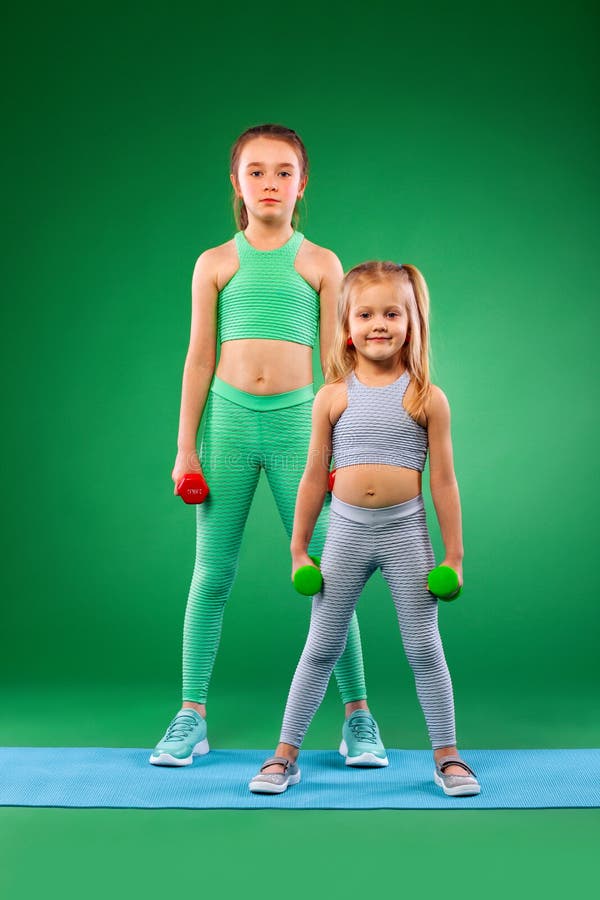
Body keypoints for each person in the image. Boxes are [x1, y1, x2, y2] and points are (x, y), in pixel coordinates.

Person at [150, 125, 386, 767]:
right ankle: (190, 714)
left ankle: (358, 718)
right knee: (212, 574)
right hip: (226, 426)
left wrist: (350, 442)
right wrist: (185, 448)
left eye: (283, 172)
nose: (270, 183)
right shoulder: (214, 263)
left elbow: (344, 364)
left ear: (302, 184)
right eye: (256, 172)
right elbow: (199, 358)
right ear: (237, 184)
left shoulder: (321, 263)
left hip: (298, 430)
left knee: (328, 577)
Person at [249, 260, 480, 797]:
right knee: (320, 647)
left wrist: (455, 557)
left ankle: (447, 756)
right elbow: (313, 477)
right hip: (346, 533)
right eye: (366, 314)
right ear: (346, 326)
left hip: (406, 534)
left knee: (424, 648)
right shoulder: (332, 396)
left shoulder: (427, 397)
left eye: (392, 313)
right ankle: (285, 755)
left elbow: (444, 483)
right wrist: (299, 548)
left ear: (411, 321)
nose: (379, 323)